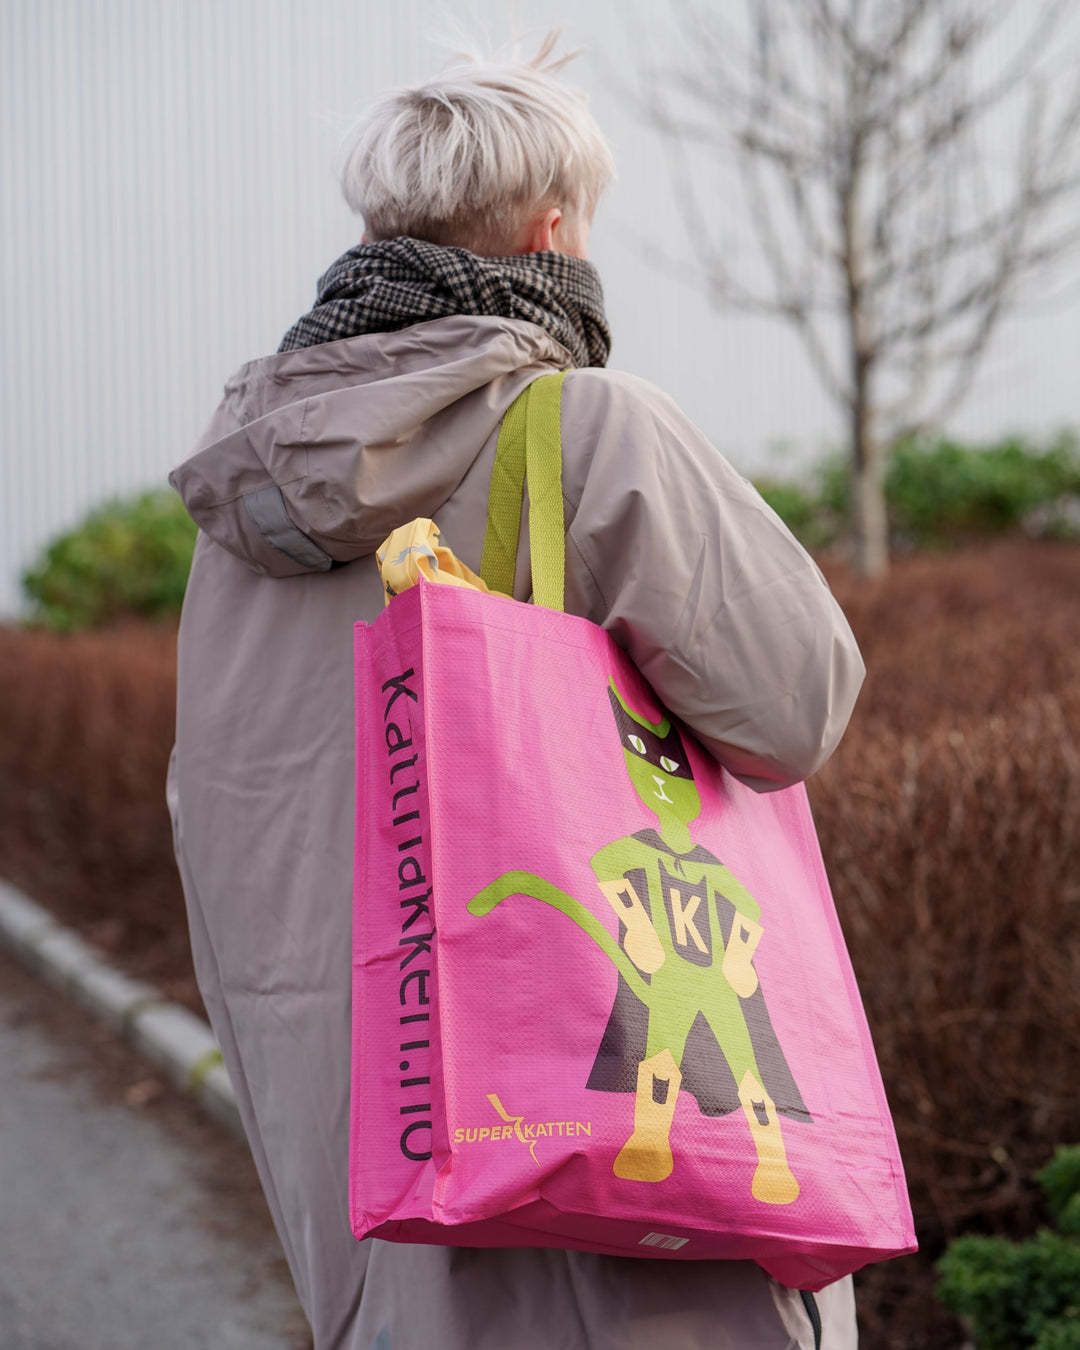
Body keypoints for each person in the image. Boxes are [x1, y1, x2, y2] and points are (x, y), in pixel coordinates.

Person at [168, 38, 865, 1350]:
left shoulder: (241, 503)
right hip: (615, 1197)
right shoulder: (588, 426)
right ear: (555, 229)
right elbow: (797, 705)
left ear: (377, 228)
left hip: (373, 1179)